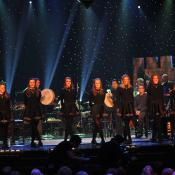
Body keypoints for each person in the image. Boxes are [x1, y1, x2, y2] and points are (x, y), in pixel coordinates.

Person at [23, 78, 43, 147]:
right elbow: (25, 102)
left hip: (36, 111)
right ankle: (34, 141)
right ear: (29, 83)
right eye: (30, 82)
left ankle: (36, 141)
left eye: (33, 82)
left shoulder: (38, 91)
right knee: (33, 127)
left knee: (35, 127)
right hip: (29, 111)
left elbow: (38, 102)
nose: (31, 83)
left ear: (35, 83)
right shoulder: (26, 91)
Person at [147, 74, 164, 142]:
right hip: (152, 106)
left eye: (156, 78)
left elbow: (162, 98)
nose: (156, 79)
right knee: (155, 122)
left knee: (158, 121)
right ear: (152, 79)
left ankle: (158, 137)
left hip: (159, 106)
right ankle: (156, 137)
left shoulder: (160, 86)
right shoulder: (149, 87)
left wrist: (163, 107)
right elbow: (148, 99)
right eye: (154, 78)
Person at [60, 77, 78, 141]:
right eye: (67, 81)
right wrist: (62, 109)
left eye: (69, 81)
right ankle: (71, 138)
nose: (68, 82)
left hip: (72, 108)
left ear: (71, 82)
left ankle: (66, 139)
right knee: (68, 124)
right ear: (65, 82)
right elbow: (61, 101)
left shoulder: (74, 90)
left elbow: (74, 100)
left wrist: (76, 109)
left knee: (69, 124)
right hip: (66, 108)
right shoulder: (62, 90)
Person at [89, 78, 105, 144]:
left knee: (96, 126)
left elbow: (104, 102)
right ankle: (103, 139)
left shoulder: (102, 91)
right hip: (94, 110)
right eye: (96, 83)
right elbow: (90, 102)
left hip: (101, 109)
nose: (97, 84)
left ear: (100, 84)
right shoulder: (91, 91)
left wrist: (103, 111)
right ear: (94, 84)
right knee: (99, 124)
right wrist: (93, 106)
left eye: (98, 83)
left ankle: (93, 140)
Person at [119, 74, 135, 144]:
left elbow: (132, 98)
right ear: (122, 81)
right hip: (123, 108)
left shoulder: (131, 88)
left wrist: (133, 108)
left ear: (129, 80)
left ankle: (125, 138)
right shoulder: (120, 88)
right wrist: (118, 109)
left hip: (130, 107)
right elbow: (118, 99)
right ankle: (129, 138)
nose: (126, 81)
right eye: (124, 80)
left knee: (127, 123)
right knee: (126, 123)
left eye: (127, 79)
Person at [0, 81, 11, 148]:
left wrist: (9, 116)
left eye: (4, 87)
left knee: (5, 130)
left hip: (6, 116)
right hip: (0, 115)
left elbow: (8, 107)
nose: (3, 88)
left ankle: (5, 143)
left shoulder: (7, 95)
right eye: (1, 87)